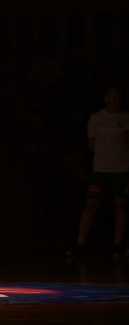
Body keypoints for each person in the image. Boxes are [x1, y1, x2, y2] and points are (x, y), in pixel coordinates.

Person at [69, 88, 129, 258]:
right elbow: (92, 144)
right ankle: (80, 243)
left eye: (119, 98)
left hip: (122, 169)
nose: (117, 101)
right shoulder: (96, 118)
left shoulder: (125, 118)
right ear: (106, 99)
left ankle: (117, 243)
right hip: (100, 169)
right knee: (91, 204)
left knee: (121, 204)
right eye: (113, 98)